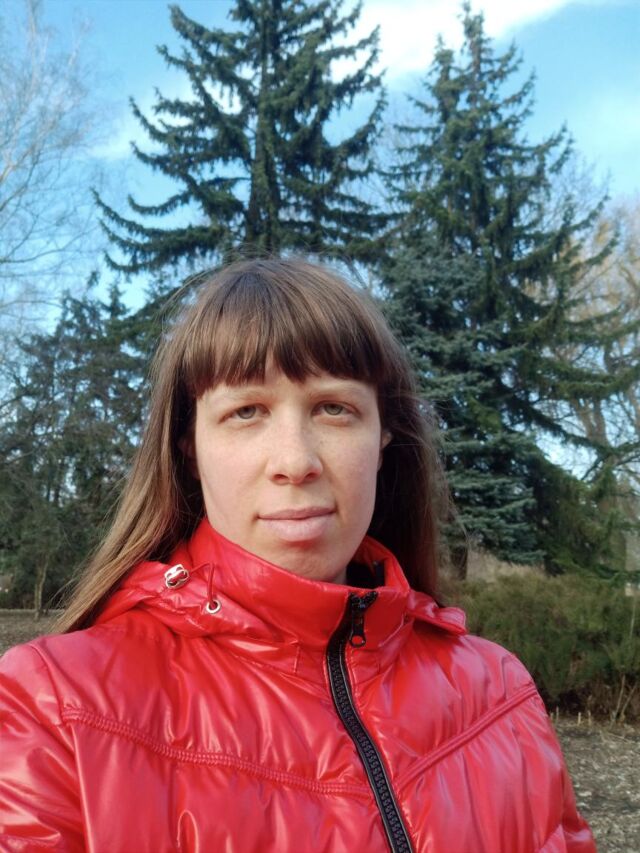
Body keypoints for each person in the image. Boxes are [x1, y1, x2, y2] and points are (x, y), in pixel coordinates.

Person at [0, 257, 594, 852]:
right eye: (245, 412)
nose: (295, 462)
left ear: (383, 436)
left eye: (334, 408)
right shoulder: (52, 710)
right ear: (189, 446)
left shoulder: (500, 693)